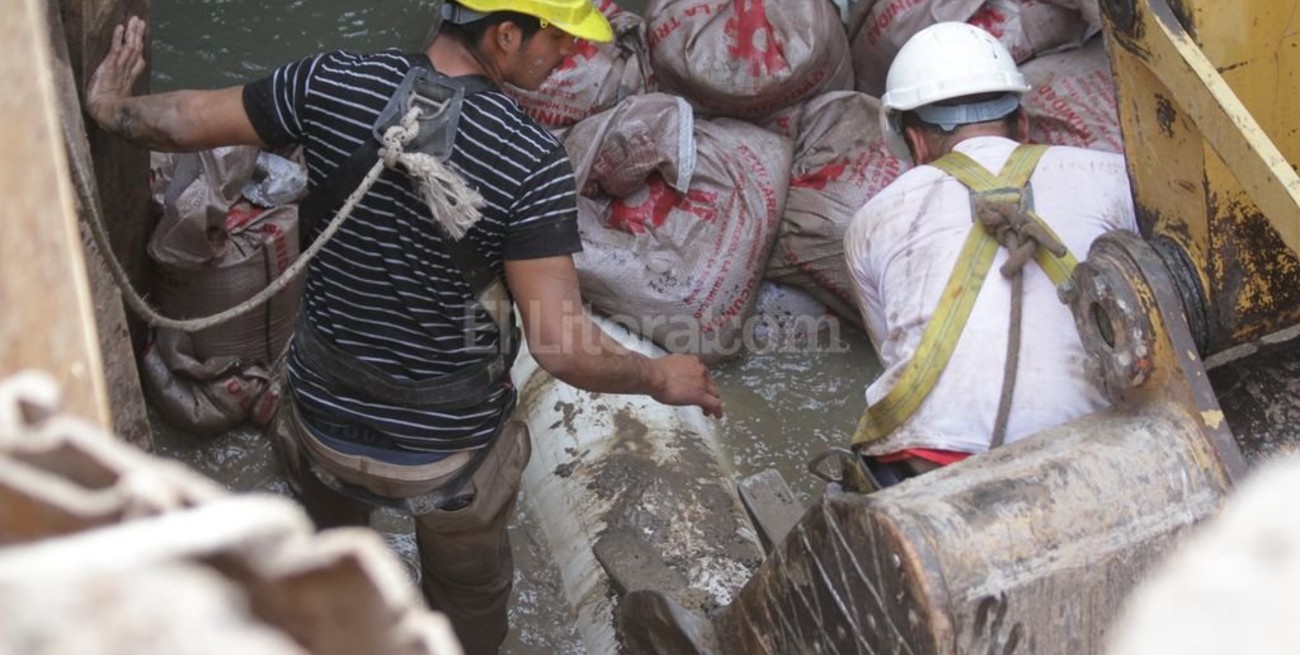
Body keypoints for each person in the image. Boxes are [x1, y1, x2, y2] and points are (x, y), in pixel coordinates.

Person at [84, 2, 723, 653]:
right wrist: (656, 375)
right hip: (448, 457)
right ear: (506, 34)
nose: (568, 54)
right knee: (467, 602)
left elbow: (187, 118)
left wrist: (110, 107)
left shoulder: (329, 80)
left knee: (325, 572)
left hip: (322, 426)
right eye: (558, 36)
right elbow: (561, 347)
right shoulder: (531, 162)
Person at [843, 22, 1137, 489]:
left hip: (937, 465)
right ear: (1021, 122)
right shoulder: (1112, 174)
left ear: (914, 142)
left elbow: (895, 355)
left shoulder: (872, 219)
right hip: (1098, 453)